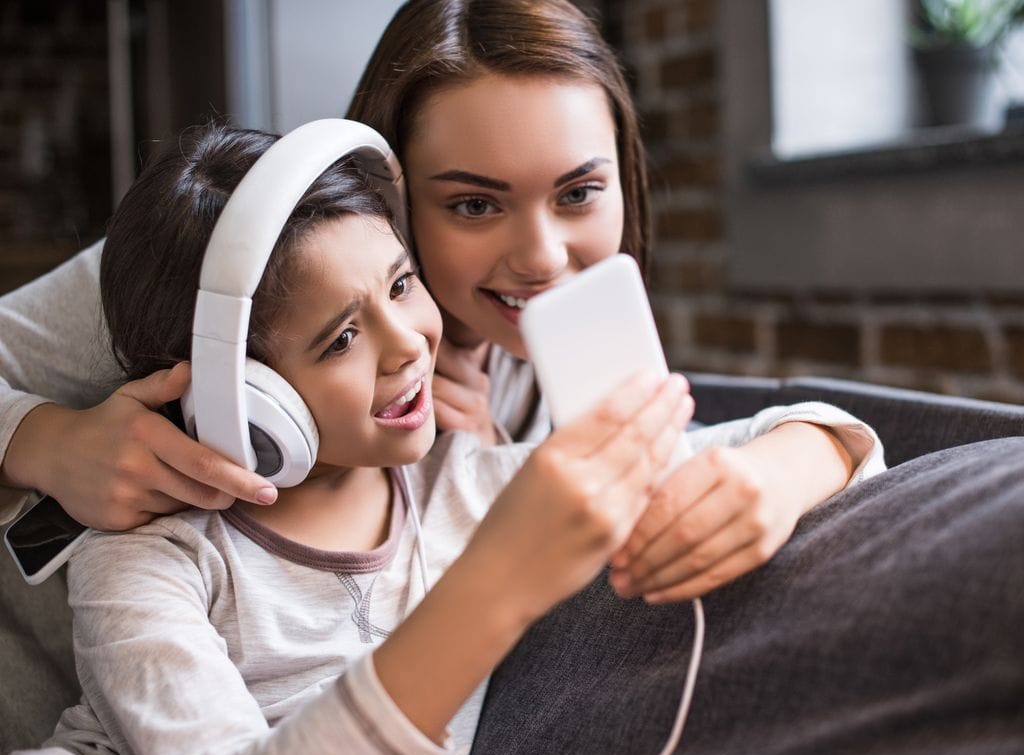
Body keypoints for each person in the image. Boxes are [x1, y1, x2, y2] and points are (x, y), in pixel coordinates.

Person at [0, 122, 880, 755]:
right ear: (241, 403)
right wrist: (494, 583)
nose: (410, 342)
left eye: (400, 283)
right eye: (343, 337)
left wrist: (783, 469)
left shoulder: (465, 481)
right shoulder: (145, 559)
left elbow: (824, 435)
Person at [0, 0, 871, 604]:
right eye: (474, 204)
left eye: (578, 194)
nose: (542, 258)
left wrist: (775, 474)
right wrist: (47, 444)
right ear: (388, 195)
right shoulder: (220, 265)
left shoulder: (554, 358)